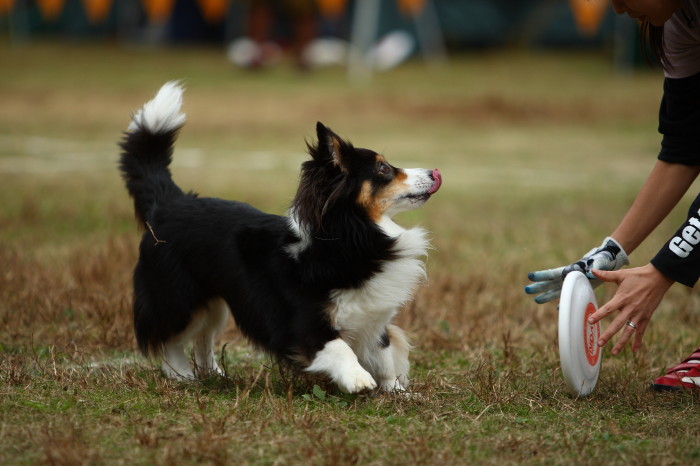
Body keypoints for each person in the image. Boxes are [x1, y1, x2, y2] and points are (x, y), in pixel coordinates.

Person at [525, 0, 700, 391]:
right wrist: (611, 250)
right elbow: (685, 149)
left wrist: (662, 271)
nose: (618, 10)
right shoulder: (678, 25)